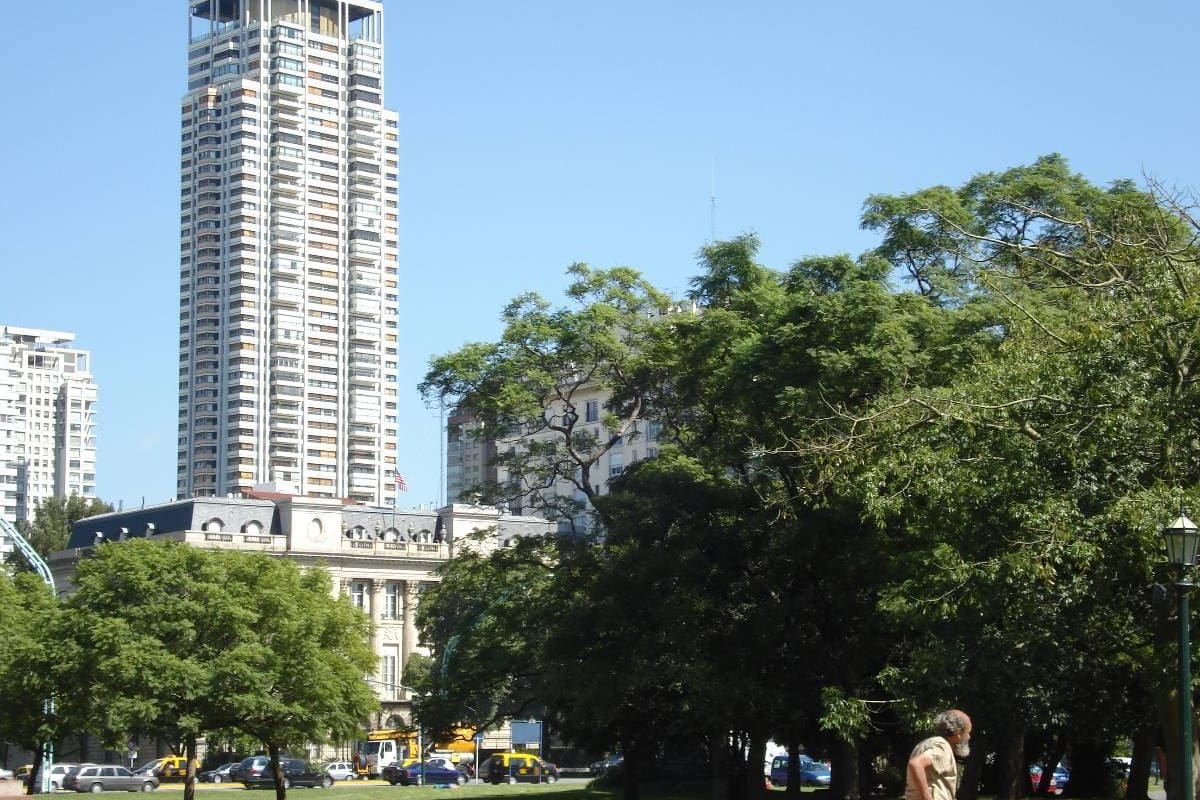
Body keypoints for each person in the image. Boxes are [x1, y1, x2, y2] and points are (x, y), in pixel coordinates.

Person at [906, 709, 973, 800]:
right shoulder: (943, 746)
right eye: (968, 732)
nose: (969, 737)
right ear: (957, 732)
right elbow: (916, 764)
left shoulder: (926, 743)